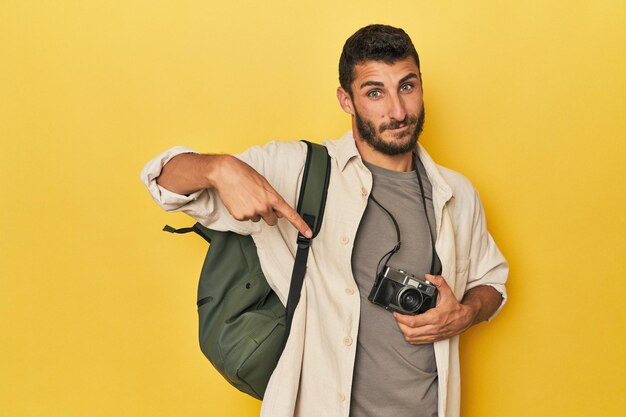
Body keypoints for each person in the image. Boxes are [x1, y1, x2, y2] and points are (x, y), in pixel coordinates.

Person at [141, 24, 508, 417]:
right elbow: (162, 179)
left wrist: (466, 313)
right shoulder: (300, 171)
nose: (398, 111)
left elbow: (493, 282)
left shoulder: (456, 193)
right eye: (374, 92)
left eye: (407, 86)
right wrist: (220, 169)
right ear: (346, 100)